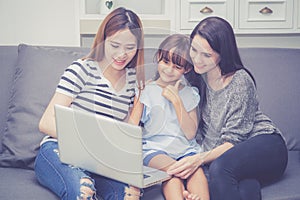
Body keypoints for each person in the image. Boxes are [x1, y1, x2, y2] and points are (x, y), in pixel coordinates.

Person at [167, 16, 288, 200]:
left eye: (206, 55)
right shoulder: (195, 77)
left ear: (222, 53)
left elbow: (234, 141)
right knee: (244, 186)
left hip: (266, 146)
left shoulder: (239, 81)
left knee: (220, 168)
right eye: (194, 49)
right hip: (233, 159)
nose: (197, 59)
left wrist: (198, 159)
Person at [34, 7, 144, 200]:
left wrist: (142, 99)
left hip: (101, 162)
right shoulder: (82, 69)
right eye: (115, 45)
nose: (121, 54)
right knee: (83, 191)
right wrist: (91, 142)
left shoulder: (133, 81)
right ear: (103, 41)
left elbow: (125, 133)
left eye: (130, 48)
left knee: (130, 194)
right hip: (58, 150)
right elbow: (45, 123)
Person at [129, 34, 209, 200]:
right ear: (159, 57)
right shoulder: (146, 90)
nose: (169, 69)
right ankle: (183, 196)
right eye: (165, 62)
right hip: (154, 149)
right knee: (172, 174)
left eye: (177, 66)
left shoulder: (189, 93)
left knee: (198, 174)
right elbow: (131, 127)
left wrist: (176, 100)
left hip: (185, 150)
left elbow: (190, 134)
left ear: (187, 69)